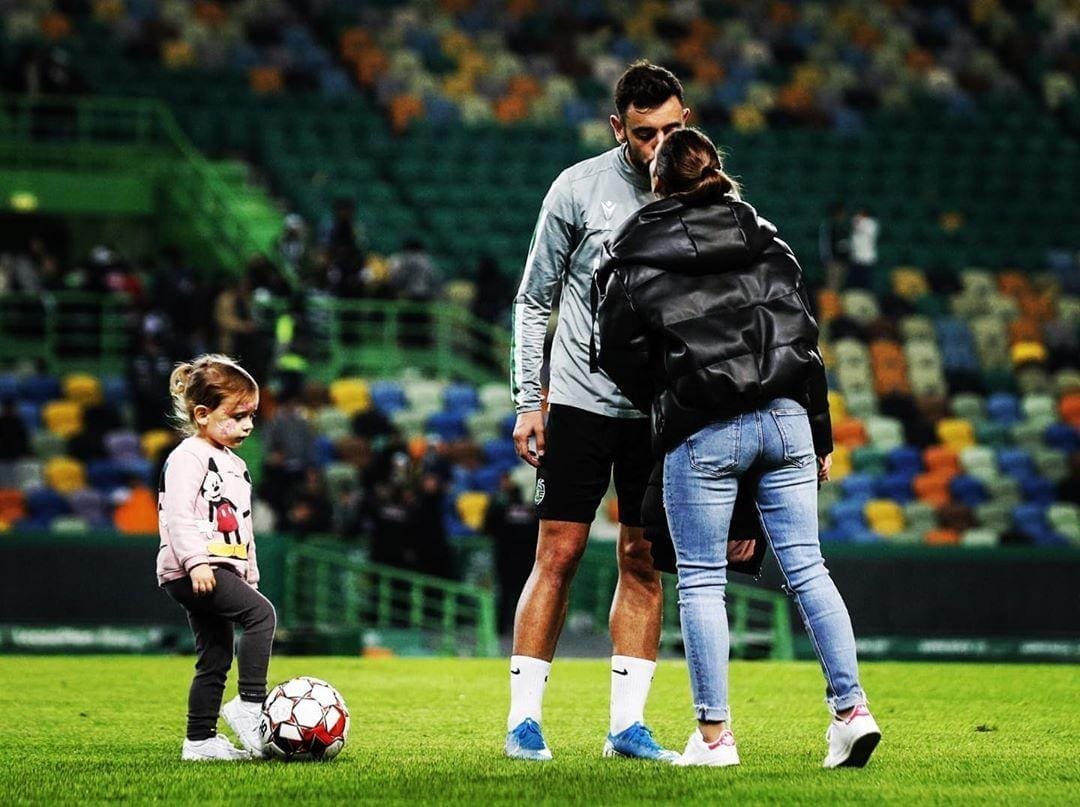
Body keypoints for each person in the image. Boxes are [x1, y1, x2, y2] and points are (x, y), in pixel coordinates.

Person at [596, 127, 880, 769]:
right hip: (786, 420)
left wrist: (673, 391)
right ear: (717, 173)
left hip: (705, 428)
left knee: (701, 581)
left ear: (656, 182)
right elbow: (804, 343)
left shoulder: (631, 255)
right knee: (808, 569)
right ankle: (852, 713)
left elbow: (613, 352)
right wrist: (820, 433)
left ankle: (715, 739)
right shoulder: (768, 240)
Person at [506, 61, 689, 762]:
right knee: (559, 552)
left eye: (670, 129)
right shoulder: (578, 188)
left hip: (657, 409)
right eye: (645, 134)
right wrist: (529, 400)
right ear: (619, 128)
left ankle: (627, 728)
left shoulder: (700, 194)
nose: (659, 145)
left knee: (643, 559)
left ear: (686, 119)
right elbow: (534, 298)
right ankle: (523, 721)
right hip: (580, 400)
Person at [157, 354, 275, 762]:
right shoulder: (188, 456)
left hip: (220, 568)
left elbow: (242, 525)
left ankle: (200, 740)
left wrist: (249, 573)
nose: (248, 425)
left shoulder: (235, 465)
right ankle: (251, 704)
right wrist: (196, 562)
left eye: (252, 415)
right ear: (203, 414)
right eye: (238, 416)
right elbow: (178, 515)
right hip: (195, 569)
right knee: (262, 616)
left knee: (216, 656)